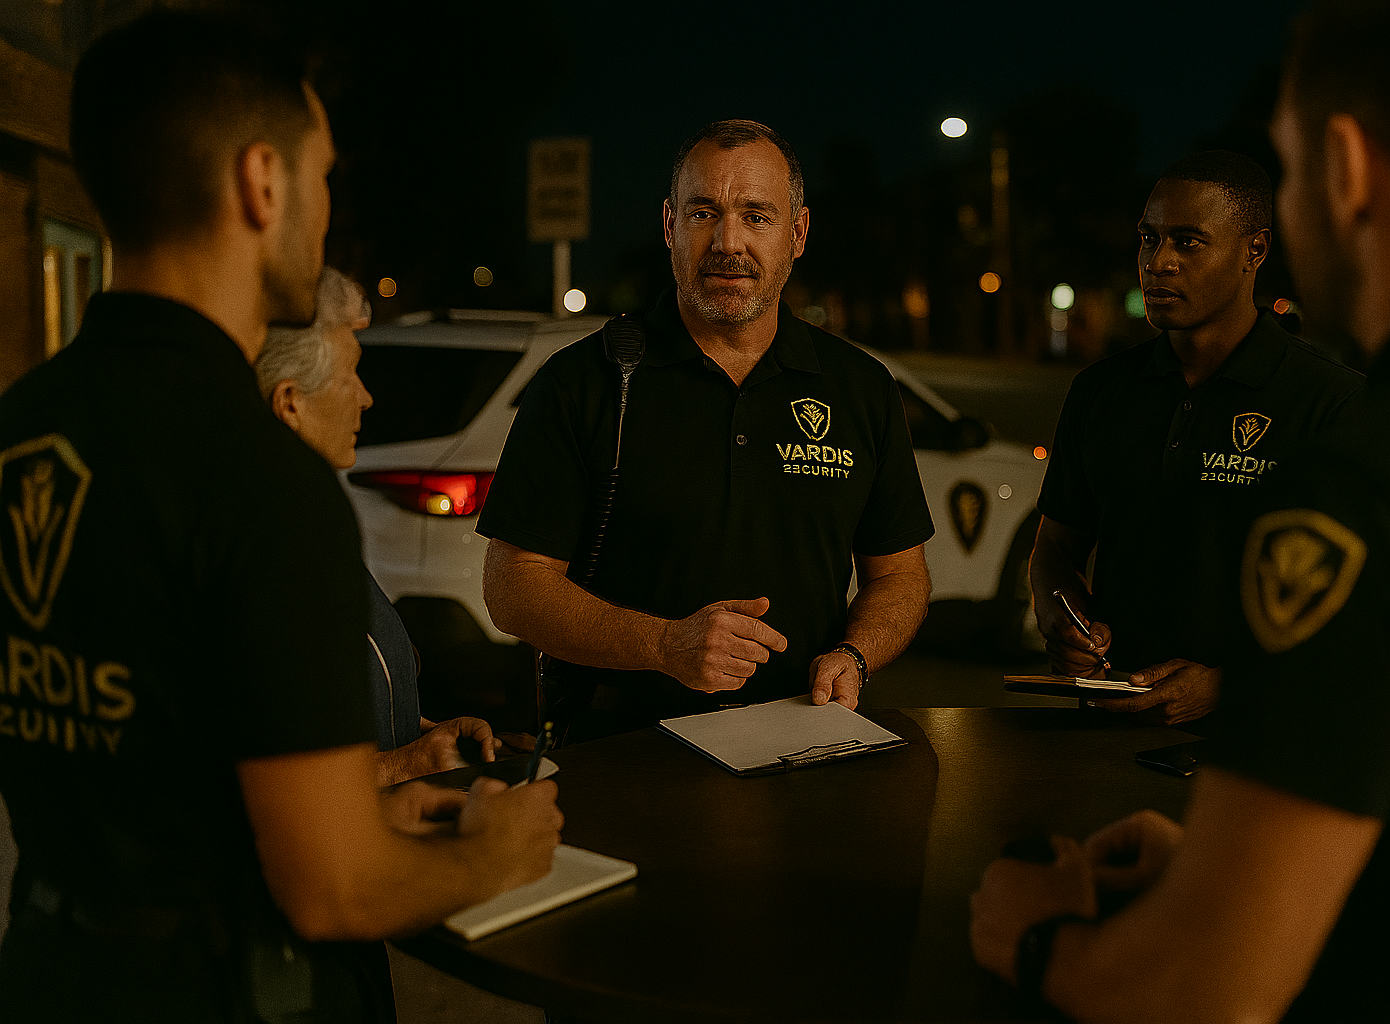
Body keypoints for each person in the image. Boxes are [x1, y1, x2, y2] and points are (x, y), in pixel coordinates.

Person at [970, 0, 1390, 1020]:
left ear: (1347, 169)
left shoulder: (1370, 475)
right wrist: (1230, 857)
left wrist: (1035, 934)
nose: (1161, 262)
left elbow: (1206, 986)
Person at [0, 13, 561, 1021]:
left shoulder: (24, 427)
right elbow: (334, 885)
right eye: (325, 177)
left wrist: (380, 795)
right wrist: (494, 851)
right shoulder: (261, 476)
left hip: (50, 972)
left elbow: (158, 760)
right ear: (263, 183)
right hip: (228, 992)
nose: (325, 211)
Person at [478, 119, 934, 743]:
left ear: (797, 233)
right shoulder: (584, 381)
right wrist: (665, 644)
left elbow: (900, 576)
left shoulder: (860, 388)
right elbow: (512, 586)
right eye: (703, 213)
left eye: (757, 215)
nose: (728, 242)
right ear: (669, 226)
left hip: (805, 738)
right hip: (621, 750)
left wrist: (854, 655)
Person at [1030, 149, 1362, 725]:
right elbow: (1055, 550)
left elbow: (1370, 609)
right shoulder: (1100, 392)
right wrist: (1064, 619)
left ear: (1253, 252)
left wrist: (1231, 687)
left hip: (1266, 745)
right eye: (1148, 238)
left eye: (1188, 241)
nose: (1158, 263)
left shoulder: (1331, 402)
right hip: (1110, 725)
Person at [258, 267, 504, 786]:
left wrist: (420, 733)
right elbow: (257, 783)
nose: (367, 398)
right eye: (352, 373)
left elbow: (326, 715)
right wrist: (404, 765)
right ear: (290, 403)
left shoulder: (306, 524)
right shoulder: (258, 553)